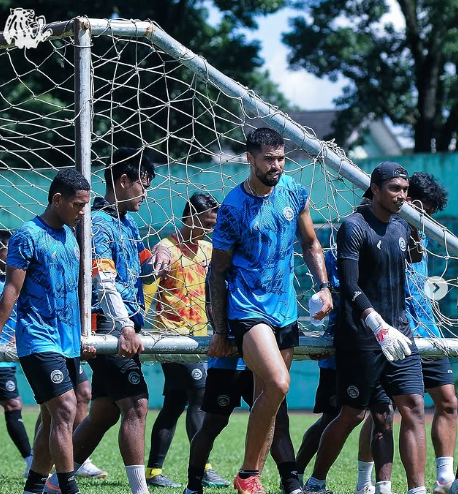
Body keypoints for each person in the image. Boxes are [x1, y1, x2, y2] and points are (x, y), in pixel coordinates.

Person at [207, 127, 333, 494]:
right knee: (279, 383)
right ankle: (247, 472)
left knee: (272, 398)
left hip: (286, 310)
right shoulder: (232, 207)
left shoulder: (294, 191)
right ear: (250, 158)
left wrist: (324, 288)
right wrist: (219, 329)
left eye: (281, 158)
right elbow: (218, 271)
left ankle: (254, 479)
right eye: (269, 159)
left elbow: (311, 244)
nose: (277, 165)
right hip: (247, 310)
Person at [44, 147, 172, 494]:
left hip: (123, 327)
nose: (146, 195)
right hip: (110, 328)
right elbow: (104, 282)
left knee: (104, 412)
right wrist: (124, 325)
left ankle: (55, 483)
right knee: (136, 404)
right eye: (143, 186)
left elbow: (144, 271)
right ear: (124, 181)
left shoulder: (127, 224)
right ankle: (140, 490)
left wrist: (162, 250)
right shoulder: (98, 223)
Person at [304, 161, 426, 494]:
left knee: (412, 408)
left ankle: (417, 489)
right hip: (362, 338)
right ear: (375, 189)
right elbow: (350, 284)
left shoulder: (402, 227)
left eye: (404, 190)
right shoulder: (354, 227)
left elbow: (412, 260)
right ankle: (315, 483)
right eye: (394, 189)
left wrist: (418, 229)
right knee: (352, 414)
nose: (401, 196)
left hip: (399, 334)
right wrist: (375, 323)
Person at [0, 168, 90, 494]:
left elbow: (72, 291)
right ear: (57, 199)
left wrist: (84, 335)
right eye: (78, 205)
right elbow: (10, 290)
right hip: (37, 338)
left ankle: (33, 488)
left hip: (67, 340)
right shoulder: (27, 235)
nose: (83, 212)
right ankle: (68, 489)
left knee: (55, 417)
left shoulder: (70, 234)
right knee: (65, 408)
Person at [143, 193, 228, 488]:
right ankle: (202, 467)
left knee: (175, 403)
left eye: (212, 224)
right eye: (205, 222)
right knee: (200, 396)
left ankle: (153, 471)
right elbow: (154, 274)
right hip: (171, 336)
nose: (208, 229)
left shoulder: (207, 249)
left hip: (200, 336)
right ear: (189, 217)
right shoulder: (166, 247)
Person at [296, 247, 394, 494]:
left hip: (377, 347)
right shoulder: (339, 253)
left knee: (382, 413)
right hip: (341, 349)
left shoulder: (390, 247)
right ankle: (297, 475)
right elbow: (335, 295)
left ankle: (370, 484)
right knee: (333, 416)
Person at [404, 172, 456, 494]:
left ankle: (444, 479)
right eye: (424, 209)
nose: (428, 218)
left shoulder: (421, 234)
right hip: (398, 332)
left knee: (448, 402)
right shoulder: (382, 227)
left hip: (429, 330)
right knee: (381, 414)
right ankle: (370, 482)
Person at [183, 355, 303, 494]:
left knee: (279, 423)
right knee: (213, 424)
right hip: (226, 366)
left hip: (264, 368)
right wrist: (221, 333)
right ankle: (193, 486)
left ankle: (293, 487)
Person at [0, 230, 33, 478]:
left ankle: (31, 460)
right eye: (7, 248)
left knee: (13, 404)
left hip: (5, 358)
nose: (12, 253)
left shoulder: (17, 279)